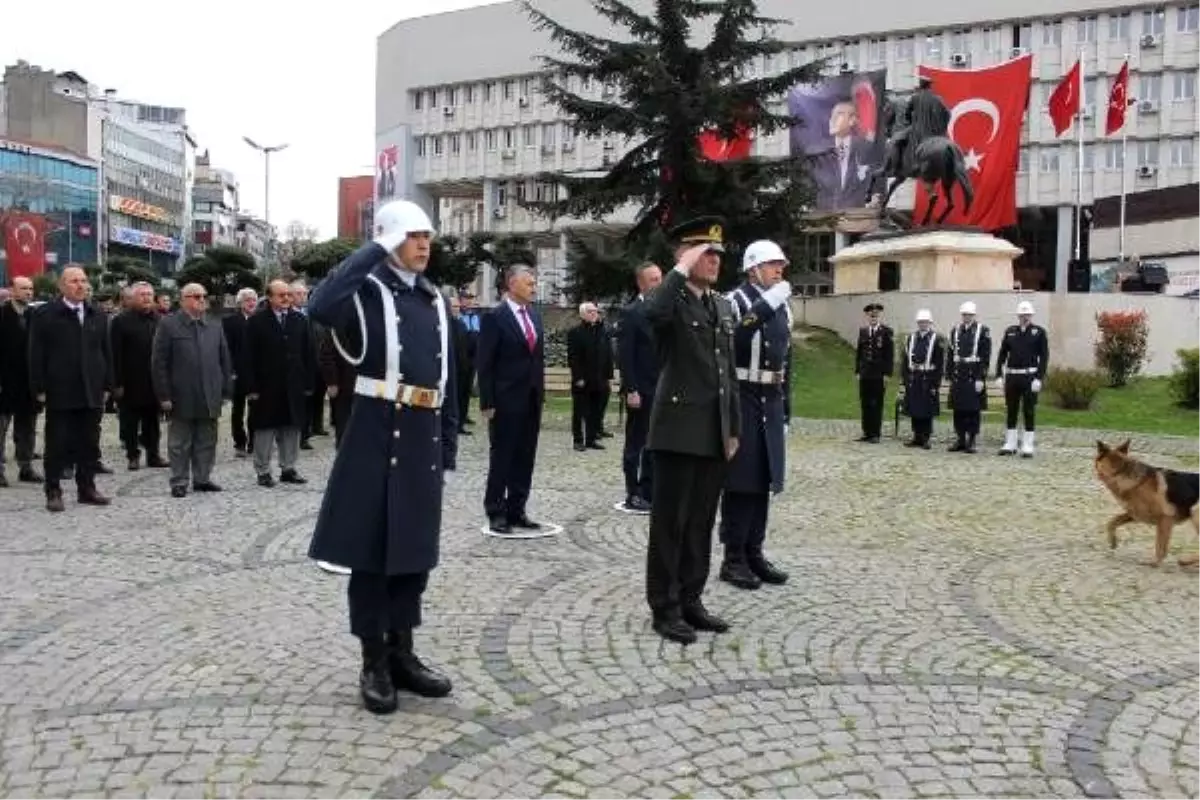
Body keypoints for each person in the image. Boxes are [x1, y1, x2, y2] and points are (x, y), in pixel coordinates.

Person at [307, 199, 458, 714]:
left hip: (421, 436)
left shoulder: (433, 299)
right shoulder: (366, 293)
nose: (424, 246)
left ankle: (403, 653)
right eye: (414, 236)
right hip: (375, 433)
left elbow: (446, 380)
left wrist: (449, 447)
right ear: (393, 239)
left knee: (413, 554)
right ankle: (373, 661)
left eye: (427, 238)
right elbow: (320, 306)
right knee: (372, 557)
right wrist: (372, 249)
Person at [643, 216, 740, 645]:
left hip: (713, 431)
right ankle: (664, 608)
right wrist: (680, 270)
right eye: (706, 252)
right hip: (677, 430)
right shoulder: (672, 299)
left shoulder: (719, 305)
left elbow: (727, 374)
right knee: (671, 523)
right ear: (686, 255)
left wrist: (732, 428)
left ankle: (691, 599)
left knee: (700, 521)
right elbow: (650, 314)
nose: (714, 260)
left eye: (718, 254)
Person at [718, 240, 793, 591]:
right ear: (753, 269)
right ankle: (733, 558)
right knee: (740, 482)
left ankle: (754, 552)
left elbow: (785, 363)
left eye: (781, 265)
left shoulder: (783, 307)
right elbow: (734, 339)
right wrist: (767, 305)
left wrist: (786, 411)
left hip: (771, 399)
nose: (780, 271)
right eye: (773, 265)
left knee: (764, 480)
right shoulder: (733, 302)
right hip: (743, 397)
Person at [28, 265, 112, 513]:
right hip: (60, 389)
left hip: (91, 388)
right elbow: (35, 354)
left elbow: (106, 352)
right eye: (74, 281)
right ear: (62, 286)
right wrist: (39, 386)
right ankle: (53, 490)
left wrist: (108, 383)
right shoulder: (46, 314)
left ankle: (87, 487)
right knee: (57, 443)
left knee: (89, 442)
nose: (80, 285)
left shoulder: (97, 313)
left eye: (83, 280)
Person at [476, 265, 545, 535]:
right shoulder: (496, 317)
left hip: (530, 399)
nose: (534, 287)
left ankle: (517, 509)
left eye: (534, 283)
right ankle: (496, 511)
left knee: (525, 457)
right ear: (512, 284)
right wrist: (487, 401)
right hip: (505, 400)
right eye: (529, 283)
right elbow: (485, 362)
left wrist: (541, 392)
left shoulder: (534, 317)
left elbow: (536, 359)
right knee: (502, 456)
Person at [151, 283, 232, 497]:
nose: (201, 299)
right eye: (196, 296)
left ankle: (202, 478)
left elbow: (224, 359)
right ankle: (179, 481)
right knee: (179, 442)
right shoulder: (169, 325)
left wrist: (225, 388)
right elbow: (159, 362)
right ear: (183, 299)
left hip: (209, 393)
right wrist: (164, 395)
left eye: (204, 296)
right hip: (181, 394)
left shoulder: (214, 324)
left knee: (207, 440)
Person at [244, 280, 314, 487]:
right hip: (266, 386)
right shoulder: (256, 322)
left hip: (294, 385)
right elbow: (247, 357)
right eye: (281, 295)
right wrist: (251, 387)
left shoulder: (300, 320)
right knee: (265, 429)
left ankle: (288, 468)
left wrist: (309, 382)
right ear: (270, 297)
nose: (286, 298)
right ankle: (263, 471)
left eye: (288, 294)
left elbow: (309, 354)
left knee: (291, 428)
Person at [618, 262, 662, 513]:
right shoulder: (632, 312)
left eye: (660, 278)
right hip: (641, 389)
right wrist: (631, 388)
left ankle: (650, 489)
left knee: (655, 443)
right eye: (653, 279)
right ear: (641, 283)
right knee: (636, 443)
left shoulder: (665, 309)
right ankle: (632, 492)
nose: (659, 283)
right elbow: (626, 355)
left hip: (662, 388)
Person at [110, 282, 166, 470]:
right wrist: (116, 383)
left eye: (150, 294)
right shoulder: (120, 321)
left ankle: (154, 454)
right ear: (133, 298)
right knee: (130, 422)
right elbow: (114, 354)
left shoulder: (160, 320)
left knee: (153, 422)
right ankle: (132, 455)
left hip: (153, 381)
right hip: (130, 381)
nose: (146, 297)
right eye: (142, 294)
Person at [0, 276, 42, 486]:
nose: (28, 292)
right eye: (23, 288)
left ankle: (26, 466)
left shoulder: (35, 315)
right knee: (1, 427)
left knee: (27, 427)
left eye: (30, 288)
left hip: (29, 382)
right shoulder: (2, 314)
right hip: (5, 382)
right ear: (12, 290)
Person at [995, 300, 1049, 458]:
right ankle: (1010, 443)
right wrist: (999, 374)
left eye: (1027, 315)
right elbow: (1002, 354)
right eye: (1022, 315)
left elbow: (1044, 357)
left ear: (1031, 315)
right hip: (1012, 376)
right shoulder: (1010, 331)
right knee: (1011, 409)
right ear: (1018, 316)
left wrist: (1039, 378)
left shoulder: (1039, 332)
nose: (1025, 317)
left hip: (1029, 376)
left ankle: (1027, 444)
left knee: (1029, 410)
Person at [945, 300, 992, 454]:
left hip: (973, 375)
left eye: (970, 315)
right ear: (962, 315)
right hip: (959, 375)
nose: (967, 317)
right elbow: (951, 354)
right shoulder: (955, 330)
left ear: (974, 315)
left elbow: (985, 356)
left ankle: (971, 440)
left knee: (973, 410)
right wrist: (949, 373)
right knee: (958, 409)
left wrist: (981, 377)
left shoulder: (982, 330)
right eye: (965, 314)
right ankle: (960, 439)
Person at [567, 302, 613, 452]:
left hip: (599, 379)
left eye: (596, 312)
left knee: (595, 410)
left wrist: (608, 376)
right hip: (582, 379)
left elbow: (608, 355)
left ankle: (591, 439)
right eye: (591, 312)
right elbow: (573, 358)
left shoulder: (602, 332)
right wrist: (578, 377)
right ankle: (578, 440)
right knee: (579, 410)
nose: (595, 314)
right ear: (583, 314)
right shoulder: (575, 332)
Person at [900, 308, 944, 450]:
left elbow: (939, 364)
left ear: (929, 323)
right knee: (914, 409)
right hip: (914, 377)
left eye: (925, 322)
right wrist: (906, 380)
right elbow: (905, 361)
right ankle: (916, 436)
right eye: (920, 322)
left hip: (928, 378)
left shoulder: (936, 339)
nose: (922, 324)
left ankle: (926, 437)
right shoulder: (911, 338)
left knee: (926, 409)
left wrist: (935, 384)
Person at [223, 288, 258, 456]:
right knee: (237, 410)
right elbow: (226, 349)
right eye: (247, 300)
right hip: (236, 373)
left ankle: (254, 442)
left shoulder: (260, 320)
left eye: (253, 299)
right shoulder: (229, 322)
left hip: (256, 373)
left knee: (256, 409)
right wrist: (229, 371)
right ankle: (239, 442)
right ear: (240, 303)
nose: (251, 303)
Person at [854, 303, 893, 443]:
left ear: (879, 316)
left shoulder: (886, 332)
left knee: (876, 404)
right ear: (867, 317)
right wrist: (857, 371)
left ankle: (875, 433)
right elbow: (859, 352)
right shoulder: (863, 331)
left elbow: (889, 355)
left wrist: (887, 374)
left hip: (878, 375)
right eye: (871, 316)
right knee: (865, 403)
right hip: (865, 374)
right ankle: (866, 432)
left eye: (875, 316)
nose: (873, 318)